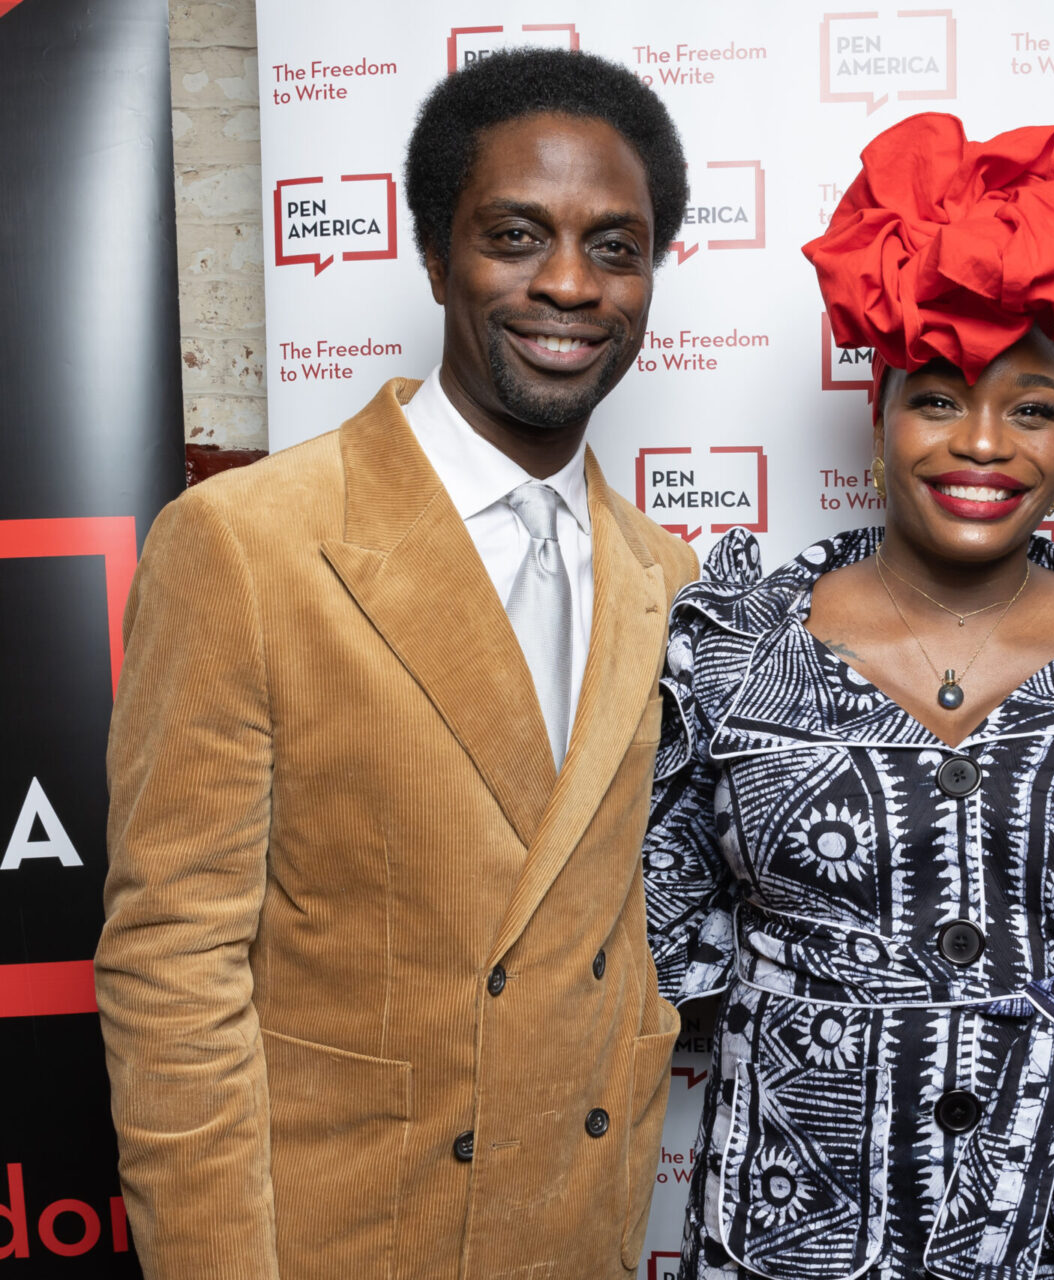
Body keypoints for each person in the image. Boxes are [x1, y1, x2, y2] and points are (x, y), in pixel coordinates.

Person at [95, 50, 697, 1279]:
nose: (570, 285)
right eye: (517, 235)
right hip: (349, 1237)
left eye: (616, 247)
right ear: (434, 253)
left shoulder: (668, 575)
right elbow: (172, 963)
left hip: (576, 1230)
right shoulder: (247, 543)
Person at [639, 112, 1054, 1280]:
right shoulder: (726, 648)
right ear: (876, 414)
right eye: (939, 398)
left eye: (1031, 407)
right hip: (794, 1239)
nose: (984, 444)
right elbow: (653, 962)